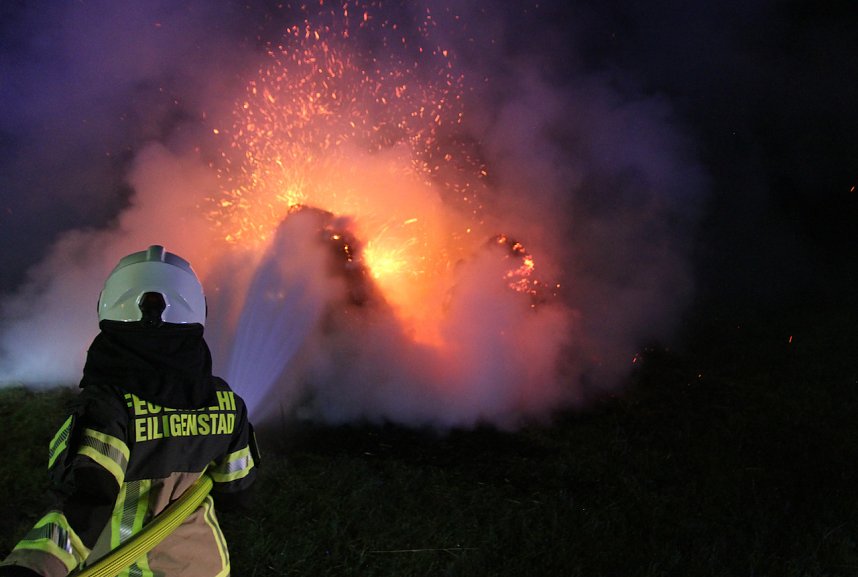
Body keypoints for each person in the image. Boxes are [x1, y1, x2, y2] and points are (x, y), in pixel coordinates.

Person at [0, 245, 258, 577]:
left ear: (108, 309)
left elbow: (85, 505)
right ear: (197, 313)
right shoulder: (227, 403)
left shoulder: (108, 411)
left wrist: (32, 567)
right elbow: (237, 490)